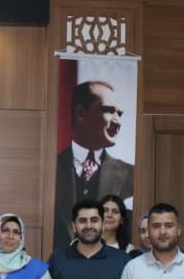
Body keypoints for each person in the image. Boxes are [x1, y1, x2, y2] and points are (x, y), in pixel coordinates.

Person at [53, 80, 133, 245]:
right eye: (109, 110)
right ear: (81, 113)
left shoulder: (131, 175)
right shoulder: (50, 168)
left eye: (120, 114)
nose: (117, 121)